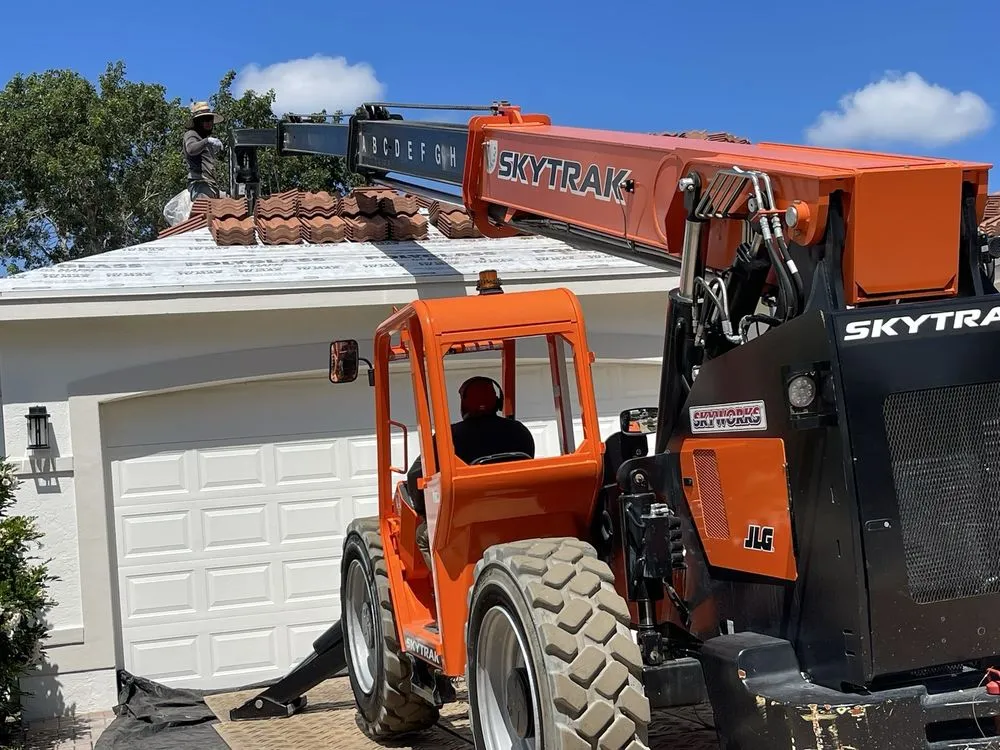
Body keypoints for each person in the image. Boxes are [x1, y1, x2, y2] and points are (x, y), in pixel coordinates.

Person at [407, 376, 535, 566]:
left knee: (423, 536)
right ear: (497, 402)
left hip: (469, 524)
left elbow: (415, 476)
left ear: (464, 405)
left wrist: (423, 511)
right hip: (520, 513)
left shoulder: (448, 438)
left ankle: (445, 590)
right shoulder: (520, 431)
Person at [182, 101, 225, 200]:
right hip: (200, 184)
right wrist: (207, 141)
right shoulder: (191, 134)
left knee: (233, 203)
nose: (209, 123)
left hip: (211, 184)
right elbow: (191, 149)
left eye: (210, 120)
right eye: (205, 120)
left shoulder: (204, 139)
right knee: (205, 210)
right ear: (198, 122)